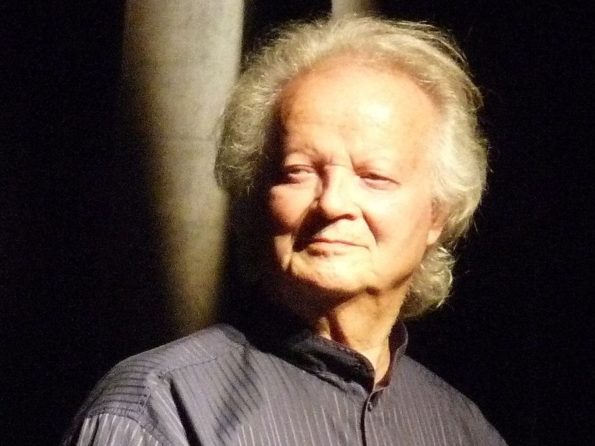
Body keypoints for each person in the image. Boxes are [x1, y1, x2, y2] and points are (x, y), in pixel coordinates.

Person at [63, 16, 506, 445]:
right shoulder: (160, 408)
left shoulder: (464, 430)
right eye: (298, 172)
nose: (332, 203)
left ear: (437, 214)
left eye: (373, 176)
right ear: (257, 196)